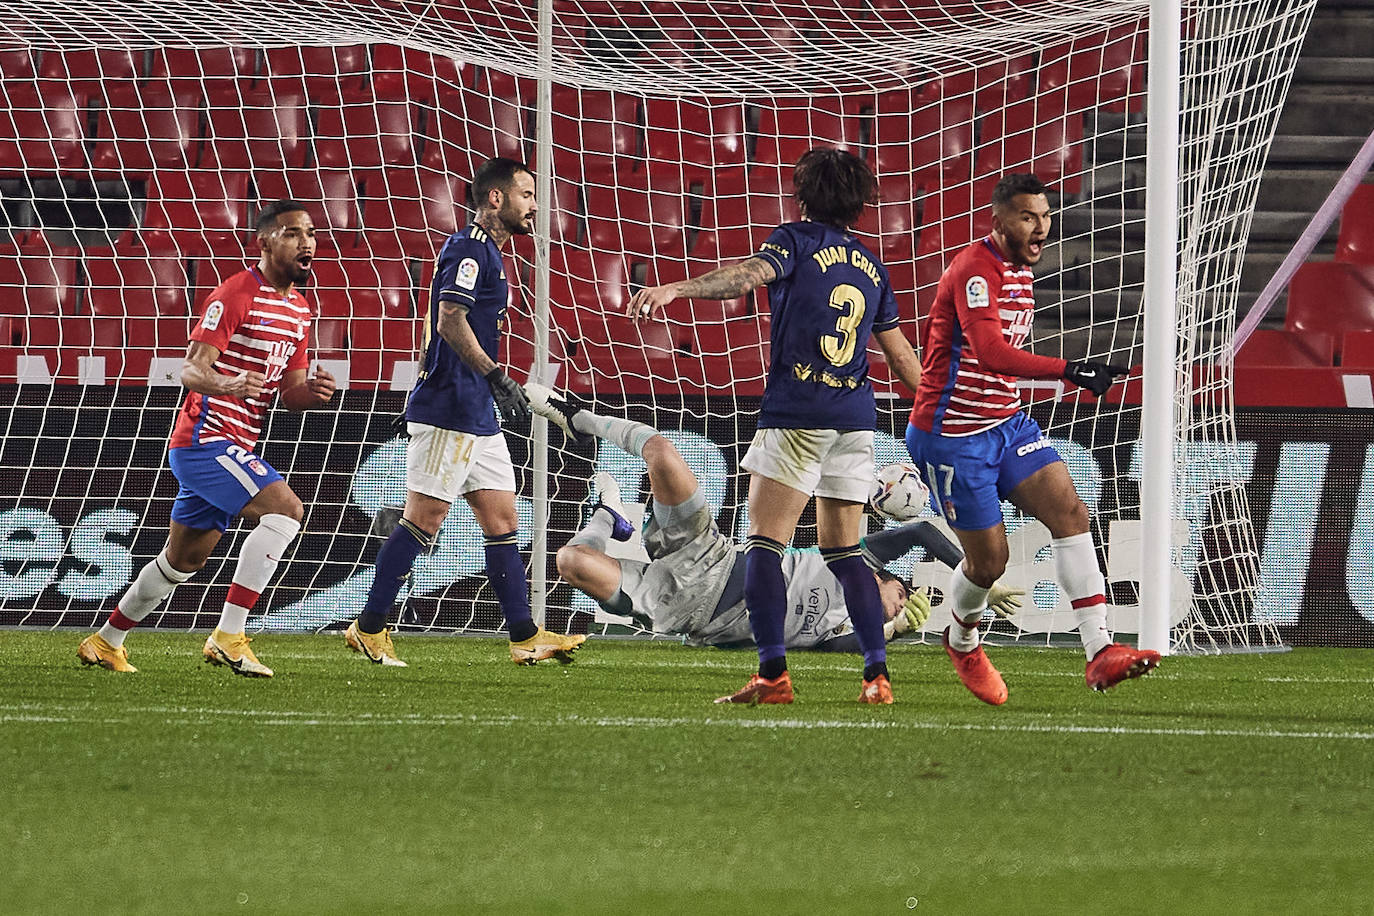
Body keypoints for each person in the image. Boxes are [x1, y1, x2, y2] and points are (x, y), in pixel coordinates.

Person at [625, 148, 924, 705]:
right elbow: (904, 360)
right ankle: (877, 675)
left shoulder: (794, 240)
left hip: (799, 413)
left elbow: (745, 277)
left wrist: (675, 289)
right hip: (856, 418)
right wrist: (946, 410)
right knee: (844, 551)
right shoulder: (873, 266)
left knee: (764, 544)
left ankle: (772, 676)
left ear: (804, 195)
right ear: (859, 203)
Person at [906, 172, 1159, 705]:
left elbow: (1001, 368)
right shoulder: (976, 271)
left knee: (1070, 513)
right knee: (988, 564)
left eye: (1044, 216)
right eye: (1027, 217)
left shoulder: (1021, 270)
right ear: (998, 221)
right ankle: (962, 639)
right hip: (952, 435)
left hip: (1006, 423)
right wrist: (1068, 369)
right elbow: (992, 354)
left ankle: (1100, 651)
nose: (1040, 227)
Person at [524, 390, 1023, 652]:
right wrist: (977, 578)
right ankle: (577, 416)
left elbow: (858, 643)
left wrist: (896, 630)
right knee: (660, 451)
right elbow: (918, 531)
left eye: (898, 608)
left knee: (571, 560)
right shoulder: (851, 559)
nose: (897, 604)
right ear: (886, 577)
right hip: (708, 550)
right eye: (899, 596)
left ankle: (606, 516)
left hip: (681, 609)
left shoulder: (842, 629)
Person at [342, 156, 585, 668]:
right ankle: (368, 627)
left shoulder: (491, 255)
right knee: (424, 521)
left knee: (502, 519)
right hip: (451, 407)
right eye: (526, 194)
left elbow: (447, 322)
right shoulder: (470, 250)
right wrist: (495, 375)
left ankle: (523, 635)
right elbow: (450, 318)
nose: (534, 206)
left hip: (474, 411)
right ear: (495, 198)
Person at [78, 200, 337, 676]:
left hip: (239, 444)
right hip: (205, 439)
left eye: (311, 234)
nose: (307, 243)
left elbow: (290, 394)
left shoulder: (300, 310)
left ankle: (107, 641)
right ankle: (229, 635)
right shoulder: (236, 293)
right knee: (286, 510)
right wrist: (227, 384)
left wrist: (313, 393)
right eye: (294, 234)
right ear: (265, 241)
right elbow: (191, 369)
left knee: (183, 561)